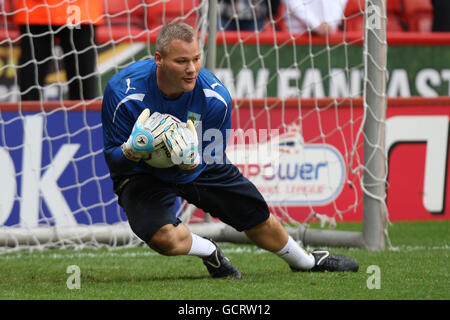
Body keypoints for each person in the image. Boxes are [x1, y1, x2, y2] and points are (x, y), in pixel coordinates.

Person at [101, 21, 358, 279]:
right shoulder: (122, 91)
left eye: (196, 59)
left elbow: (212, 156)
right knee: (163, 239)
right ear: (159, 59)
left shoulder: (216, 98)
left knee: (258, 218)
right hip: (141, 172)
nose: (191, 69)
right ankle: (210, 251)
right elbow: (115, 162)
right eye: (181, 61)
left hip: (197, 165)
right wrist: (131, 150)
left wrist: (189, 161)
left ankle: (306, 261)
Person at [13, 0, 103, 100]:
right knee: (30, 80)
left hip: (78, 11)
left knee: (82, 82)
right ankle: (29, 114)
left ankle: (83, 114)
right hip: (36, 10)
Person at [283, 0, 348, 36]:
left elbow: (340, 4)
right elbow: (294, 4)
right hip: (296, 35)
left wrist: (330, 24)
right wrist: (315, 25)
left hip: (329, 36)